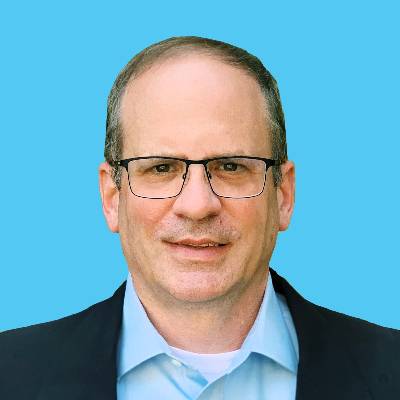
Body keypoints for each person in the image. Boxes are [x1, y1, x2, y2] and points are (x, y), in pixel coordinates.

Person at [1, 36, 399, 400]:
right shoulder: (10, 376)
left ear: (283, 194)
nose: (197, 205)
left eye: (230, 165)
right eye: (160, 168)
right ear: (111, 196)